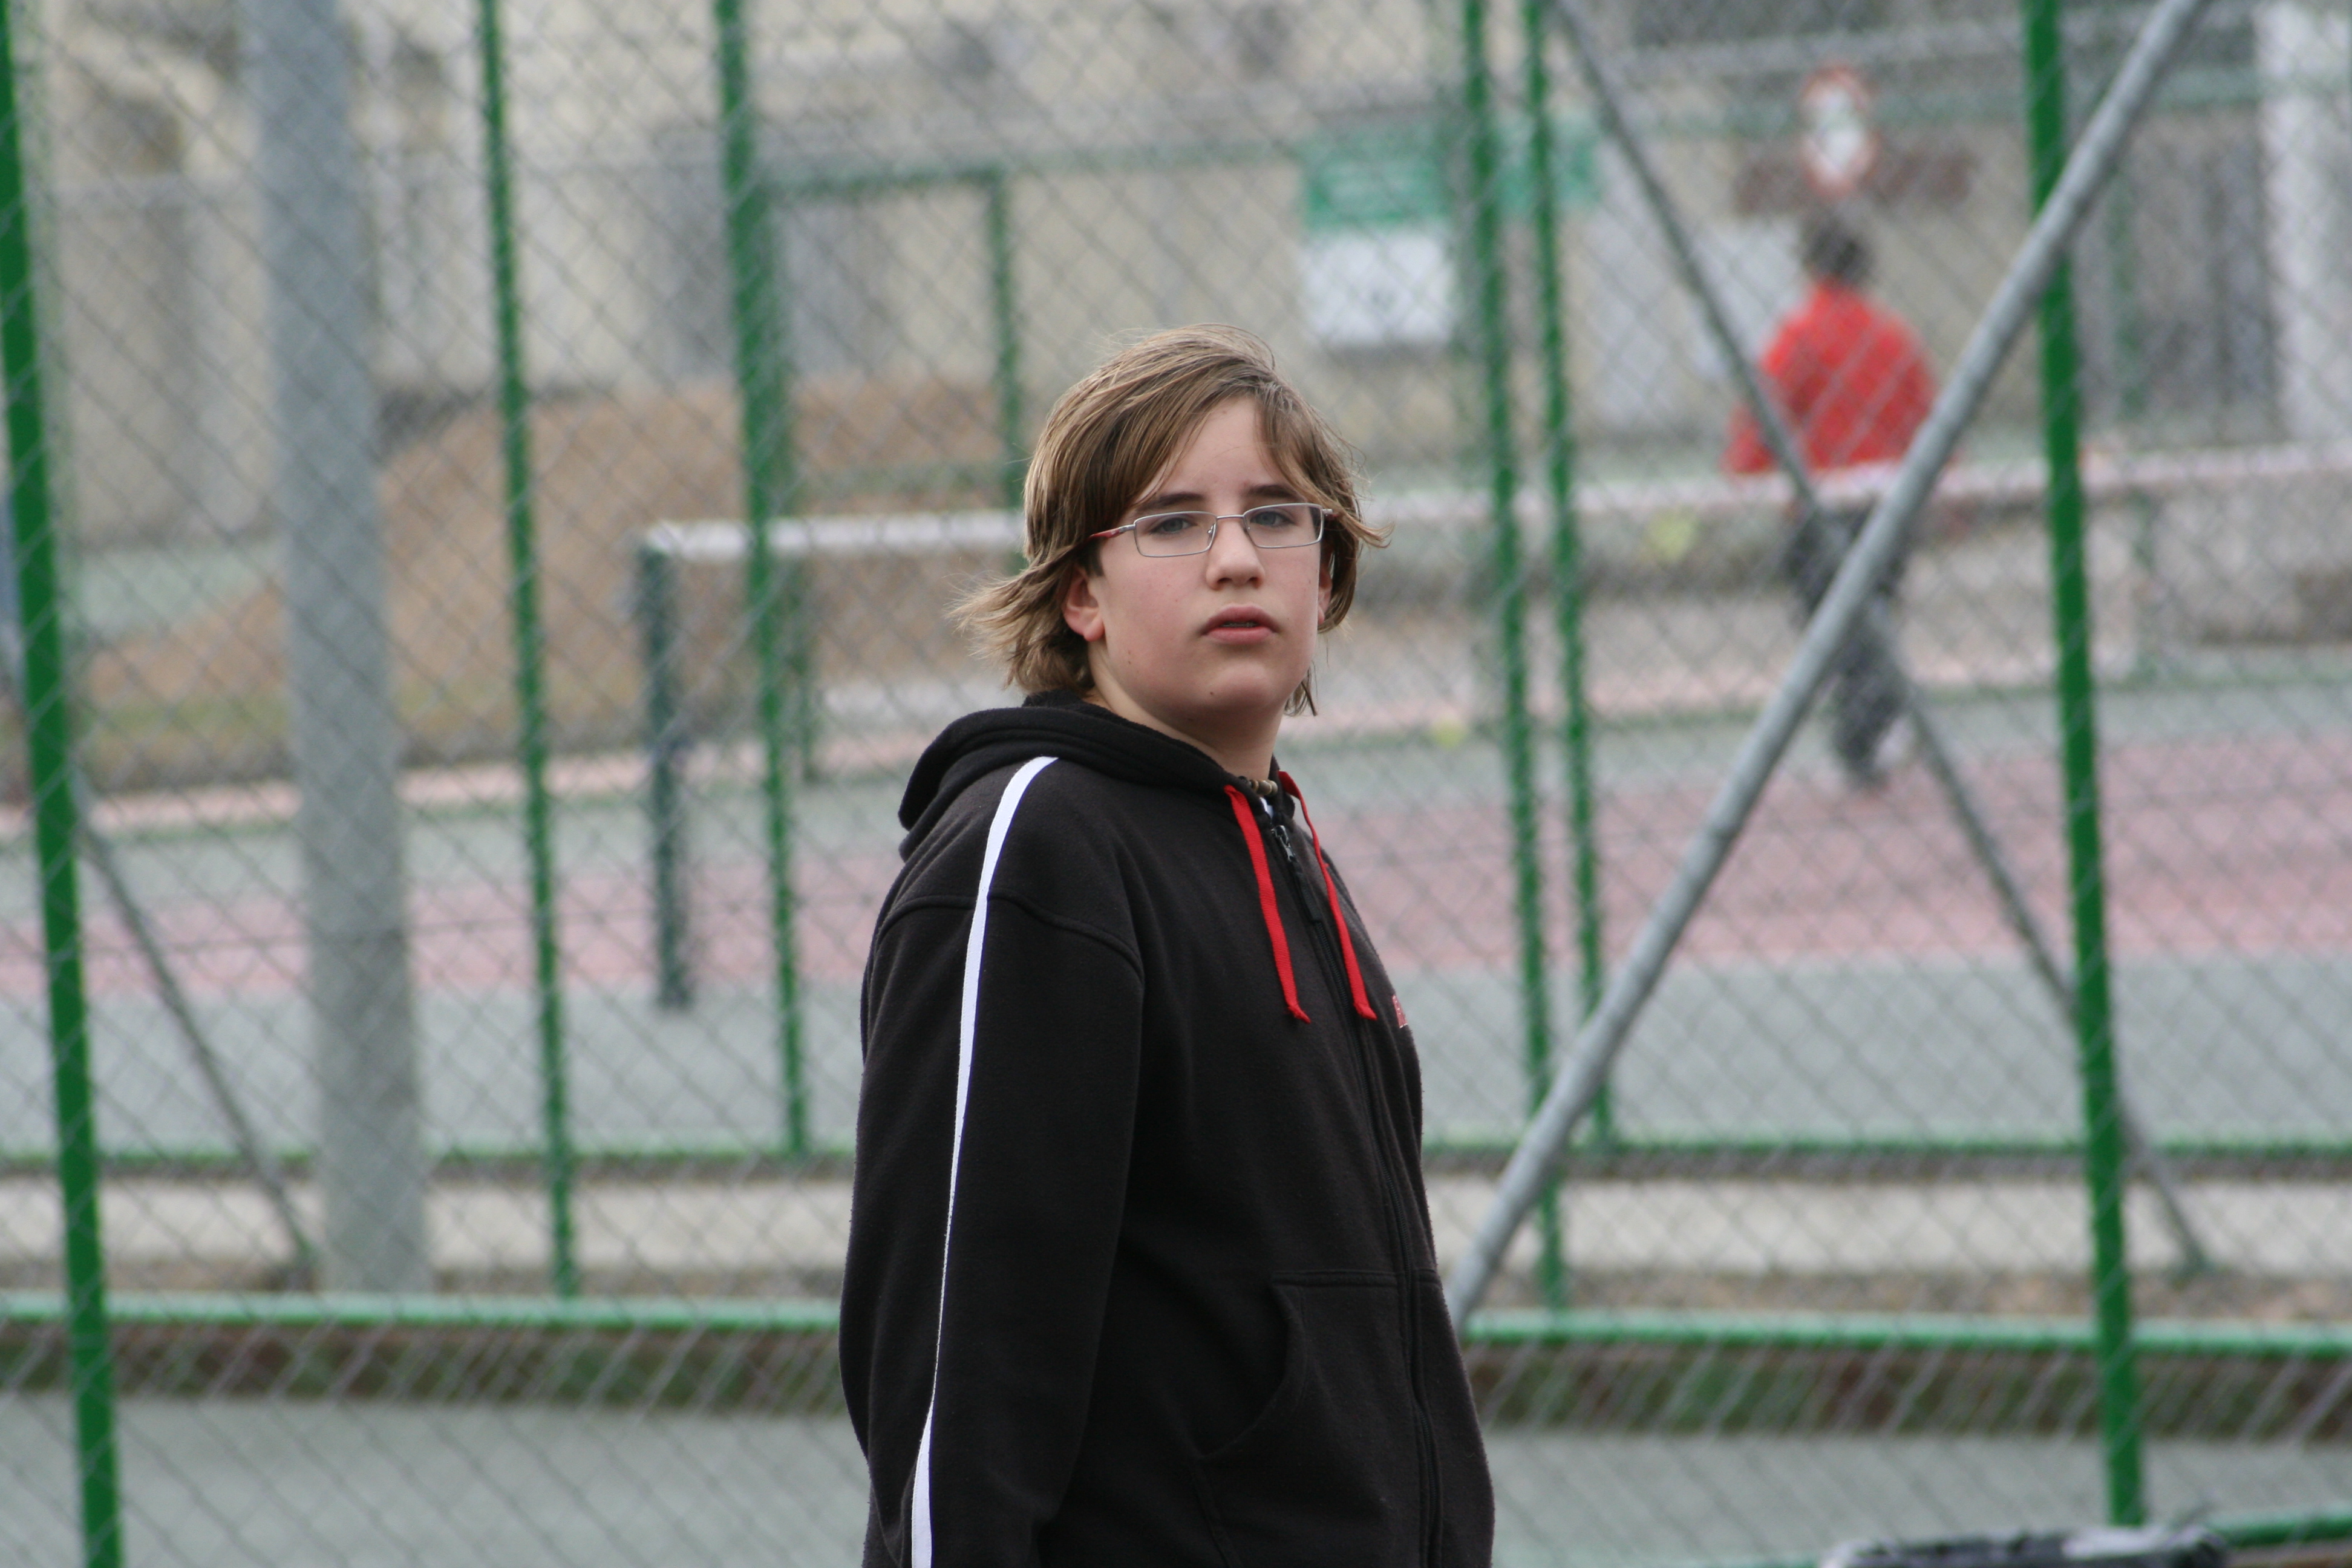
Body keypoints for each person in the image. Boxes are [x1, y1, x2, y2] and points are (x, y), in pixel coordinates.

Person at [841, 325, 1494, 1567]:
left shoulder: (1280, 844)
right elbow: (958, 1375)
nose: (1236, 556)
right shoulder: (1037, 850)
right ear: (1078, 593)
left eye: (1276, 515)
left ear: (1326, 572)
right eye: (1173, 522)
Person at [1726, 214, 1936, 788]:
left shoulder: (1801, 333)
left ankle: (1867, 736)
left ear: (1810, 267)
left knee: (1832, 626)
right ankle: (1878, 726)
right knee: (1873, 614)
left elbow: (1766, 410)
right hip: (1887, 502)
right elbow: (1924, 415)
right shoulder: (1893, 335)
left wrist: (1745, 467)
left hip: (1823, 506)